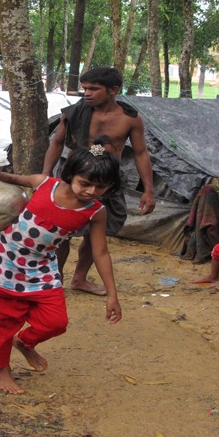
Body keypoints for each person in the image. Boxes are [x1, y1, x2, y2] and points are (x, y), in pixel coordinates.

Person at [0, 139, 123, 395]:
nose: (91, 191)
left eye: (101, 186)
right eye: (85, 183)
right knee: (1, 322)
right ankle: (1, 370)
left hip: (41, 269)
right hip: (3, 260)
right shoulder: (42, 183)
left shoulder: (95, 211)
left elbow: (100, 252)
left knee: (55, 322)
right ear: (69, 175)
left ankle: (24, 342)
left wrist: (112, 293)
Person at [42, 67, 156, 295]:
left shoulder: (129, 119)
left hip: (106, 181)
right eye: (85, 88)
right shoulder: (73, 113)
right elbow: (56, 143)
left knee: (96, 234)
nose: (87, 93)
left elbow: (141, 153)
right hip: (74, 180)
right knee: (62, 232)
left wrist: (148, 190)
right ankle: (57, 279)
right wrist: (46, 178)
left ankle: (80, 279)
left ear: (114, 90)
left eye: (93, 88)